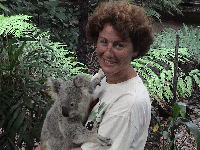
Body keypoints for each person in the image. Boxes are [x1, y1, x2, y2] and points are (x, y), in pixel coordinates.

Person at [71, 1, 153, 150]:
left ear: (135, 49)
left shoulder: (128, 103)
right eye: (103, 42)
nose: (108, 53)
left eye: (119, 45)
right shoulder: (104, 78)